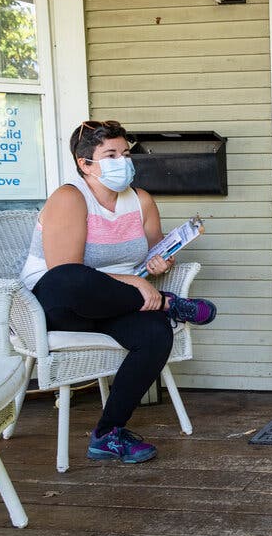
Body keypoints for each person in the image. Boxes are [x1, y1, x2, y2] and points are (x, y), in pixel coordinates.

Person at [19, 119, 218, 464]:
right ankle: (168, 304)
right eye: (109, 154)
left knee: (156, 335)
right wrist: (138, 285)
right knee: (73, 279)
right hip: (54, 305)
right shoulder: (70, 198)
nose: (122, 161)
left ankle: (108, 434)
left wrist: (159, 265)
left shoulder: (140, 200)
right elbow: (66, 269)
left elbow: (154, 252)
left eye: (124, 153)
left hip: (113, 305)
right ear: (85, 163)